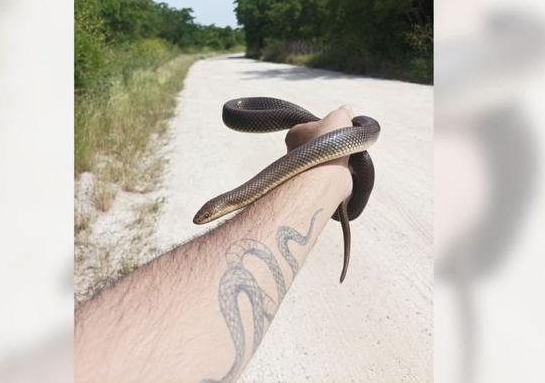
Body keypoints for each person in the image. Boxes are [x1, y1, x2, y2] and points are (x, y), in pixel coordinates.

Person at [75, 106, 356, 382]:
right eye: (206, 216)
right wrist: (331, 175)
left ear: (218, 210)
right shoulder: (238, 196)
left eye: (207, 216)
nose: (202, 220)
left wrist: (330, 167)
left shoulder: (237, 198)